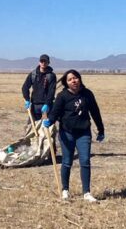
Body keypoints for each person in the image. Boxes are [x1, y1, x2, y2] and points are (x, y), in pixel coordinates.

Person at [43, 69, 105, 203]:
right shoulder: (62, 96)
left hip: (83, 132)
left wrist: (101, 129)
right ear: (66, 82)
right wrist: (50, 121)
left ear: (80, 79)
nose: (73, 81)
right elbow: (55, 112)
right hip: (67, 133)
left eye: (75, 78)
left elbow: (95, 112)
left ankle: (87, 193)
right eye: (70, 79)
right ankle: (65, 190)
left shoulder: (87, 94)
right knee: (67, 161)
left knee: (85, 161)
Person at [22, 54, 57, 122]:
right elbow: (25, 87)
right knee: (32, 128)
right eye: (42, 61)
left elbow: (51, 92)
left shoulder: (51, 76)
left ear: (48, 63)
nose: (43, 63)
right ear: (39, 62)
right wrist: (27, 99)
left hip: (47, 106)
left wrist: (47, 104)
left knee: (47, 128)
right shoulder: (33, 74)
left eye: (45, 61)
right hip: (35, 105)